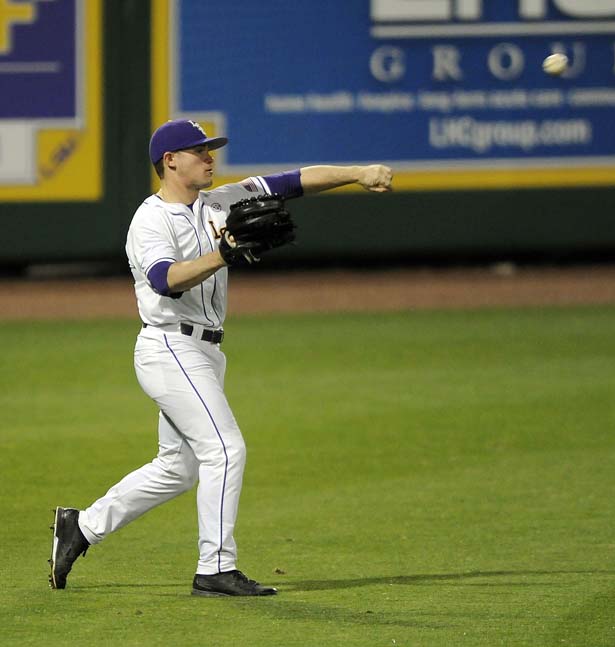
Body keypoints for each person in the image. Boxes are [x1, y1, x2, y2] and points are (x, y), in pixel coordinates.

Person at [49, 118, 393, 597]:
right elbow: (165, 279)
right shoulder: (149, 220)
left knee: (178, 468)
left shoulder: (221, 201)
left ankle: (81, 527)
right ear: (170, 161)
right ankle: (215, 567)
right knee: (225, 449)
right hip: (168, 346)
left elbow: (293, 182)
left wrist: (358, 172)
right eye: (199, 151)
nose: (210, 157)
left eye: (211, 149)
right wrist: (224, 253)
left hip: (206, 351)